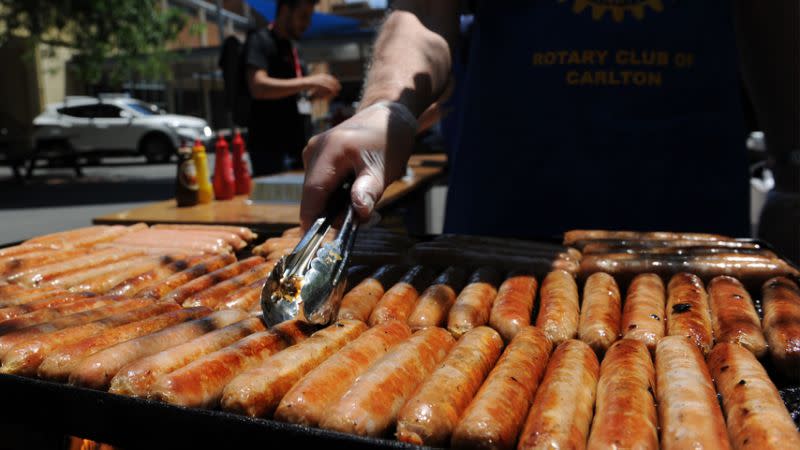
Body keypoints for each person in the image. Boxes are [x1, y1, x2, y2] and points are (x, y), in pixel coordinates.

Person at [299, 1, 800, 260]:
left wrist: (793, 166)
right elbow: (427, 13)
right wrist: (389, 105)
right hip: (506, 213)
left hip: (689, 204)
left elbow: (771, 15)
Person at [243, 0, 341, 176]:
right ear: (285, 10)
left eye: (309, 17)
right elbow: (258, 87)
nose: (307, 23)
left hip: (297, 145)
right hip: (269, 148)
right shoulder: (259, 40)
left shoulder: (293, 48)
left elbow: (293, 96)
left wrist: (314, 95)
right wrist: (310, 81)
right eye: (303, 16)